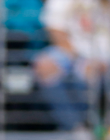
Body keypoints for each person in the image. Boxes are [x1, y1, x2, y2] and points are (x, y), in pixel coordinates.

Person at [33, 0, 110, 131]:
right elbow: (56, 31)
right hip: (72, 51)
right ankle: (75, 129)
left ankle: (102, 129)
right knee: (44, 66)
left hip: (104, 54)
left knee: (96, 74)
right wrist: (81, 60)